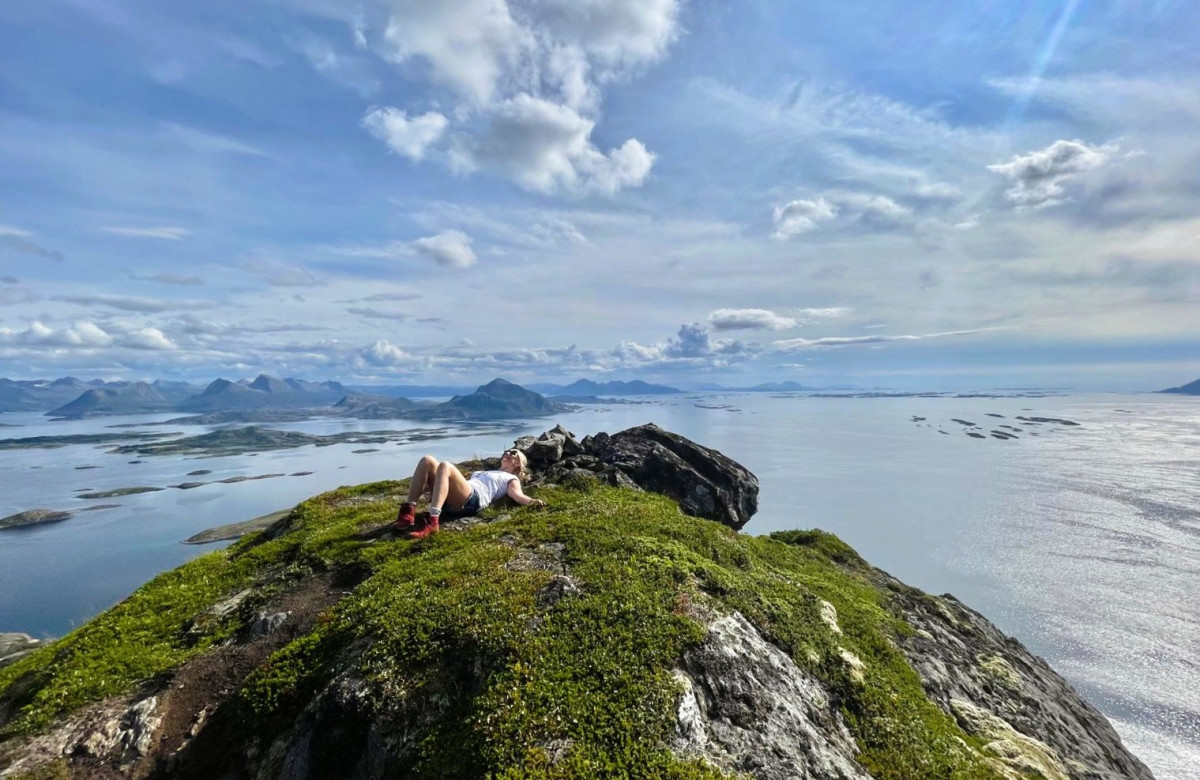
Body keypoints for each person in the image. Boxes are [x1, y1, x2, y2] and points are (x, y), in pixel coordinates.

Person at [395, 448, 546, 538]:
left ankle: (433, 520)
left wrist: (532, 502)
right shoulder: (486, 472)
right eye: (506, 451)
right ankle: (408, 512)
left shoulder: (511, 478)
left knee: (445, 465)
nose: (508, 453)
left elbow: (516, 495)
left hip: (473, 500)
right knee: (427, 460)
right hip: (458, 496)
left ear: (518, 463)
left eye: (513, 453)